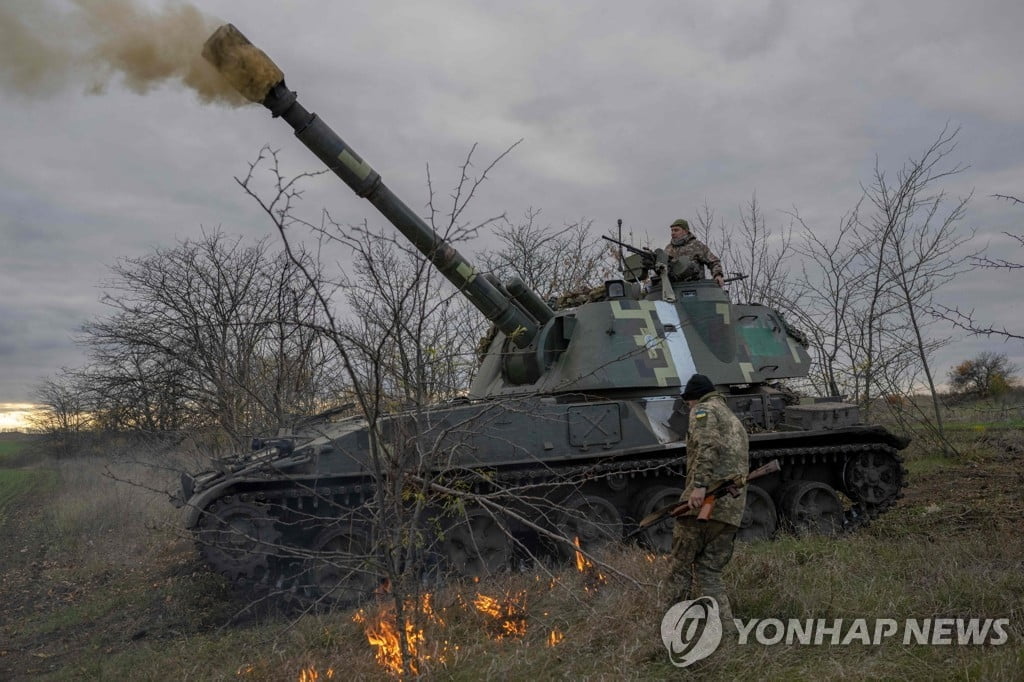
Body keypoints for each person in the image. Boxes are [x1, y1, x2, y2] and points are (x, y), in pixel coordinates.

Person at [663, 373, 749, 628]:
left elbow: (707, 445)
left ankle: (671, 627)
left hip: (704, 506)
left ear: (693, 398)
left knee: (678, 569)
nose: (688, 407)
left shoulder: (703, 410)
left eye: (688, 402)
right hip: (731, 511)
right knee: (709, 572)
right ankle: (726, 630)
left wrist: (698, 487)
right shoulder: (732, 418)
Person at [664, 219, 725, 287]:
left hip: (696, 287)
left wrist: (718, 275)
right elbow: (662, 267)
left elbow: (713, 261)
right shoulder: (669, 249)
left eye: (676, 230)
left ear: (685, 231)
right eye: (672, 230)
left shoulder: (696, 246)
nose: (673, 233)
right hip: (674, 289)